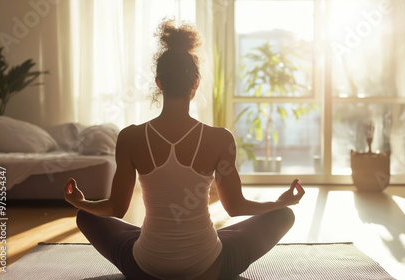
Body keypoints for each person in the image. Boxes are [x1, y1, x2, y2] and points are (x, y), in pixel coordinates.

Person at [64, 19, 305, 280]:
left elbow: (115, 209)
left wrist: (82, 202)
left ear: (159, 83)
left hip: (146, 267)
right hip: (208, 267)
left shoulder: (130, 137)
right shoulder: (219, 138)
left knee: (86, 217)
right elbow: (235, 207)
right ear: (196, 85)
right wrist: (279, 203)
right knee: (283, 216)